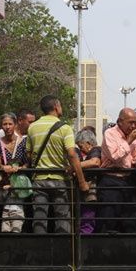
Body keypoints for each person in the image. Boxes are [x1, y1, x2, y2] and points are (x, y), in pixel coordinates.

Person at [27, 95, 88, 234]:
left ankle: (38, 249)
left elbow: (29, 155)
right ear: (56, 107)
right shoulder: (65, 128)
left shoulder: (32, 127)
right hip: (59, 179)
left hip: (39, 179)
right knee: (62, 217)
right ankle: (62, 248)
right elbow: (72, 154)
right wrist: (82, 181)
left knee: (39, 217)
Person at [99, 108, 136, 233]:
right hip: (111, 180)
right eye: (130, 122)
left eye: (135, 122)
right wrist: (128, 141)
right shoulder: (110, 133)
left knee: (130, 222)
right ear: (120, 121)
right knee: (109, 221)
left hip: (128, 180)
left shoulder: (133, 135)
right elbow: (115, 156)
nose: (133, 126)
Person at [0, 113, 29, 233]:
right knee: (4, 215)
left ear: (15, 125)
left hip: (18, 184)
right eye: (5, 124)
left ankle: (16, 236)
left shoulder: (23, 142)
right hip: (2, 183)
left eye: (10, 124)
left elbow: (28, 163)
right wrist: (2, 167)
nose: (7, 127)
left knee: (17, 213)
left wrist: (19, 169)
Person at [74, 129, 101, 234]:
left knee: (87, 217)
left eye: (81, 147)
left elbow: (95, 162)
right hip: (89, 192)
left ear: (88, 143)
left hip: (91, 192)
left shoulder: (96, 150)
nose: (81, 150)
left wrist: (74, 166)